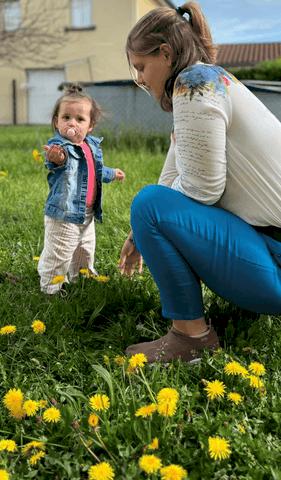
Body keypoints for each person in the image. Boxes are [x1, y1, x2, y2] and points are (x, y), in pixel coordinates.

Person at [118, 2, 281, 363]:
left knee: (148, 203)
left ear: (166, 52)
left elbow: (201, 189)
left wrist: (145, 220)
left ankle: (190, 338)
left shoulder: (193, 84)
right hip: (270, 248)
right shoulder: (209, 80)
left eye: (142, 67)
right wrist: (137, 234)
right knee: (153, 203)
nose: (140, 80)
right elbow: (173, 176)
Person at [38, 85, 125, 294]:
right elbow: (59, 161)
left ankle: (82, 278)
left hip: (87, 214)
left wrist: (112, 173)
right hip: (64, 214)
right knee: (60, 252)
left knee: (84, 250)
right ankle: (51, 287)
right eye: (66, 117)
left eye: (80, 119)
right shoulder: (61, 147)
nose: (72, 124)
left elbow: (95, 170)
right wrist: (56, 158)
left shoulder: (91, 146)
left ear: (91, 125)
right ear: (56, 122)